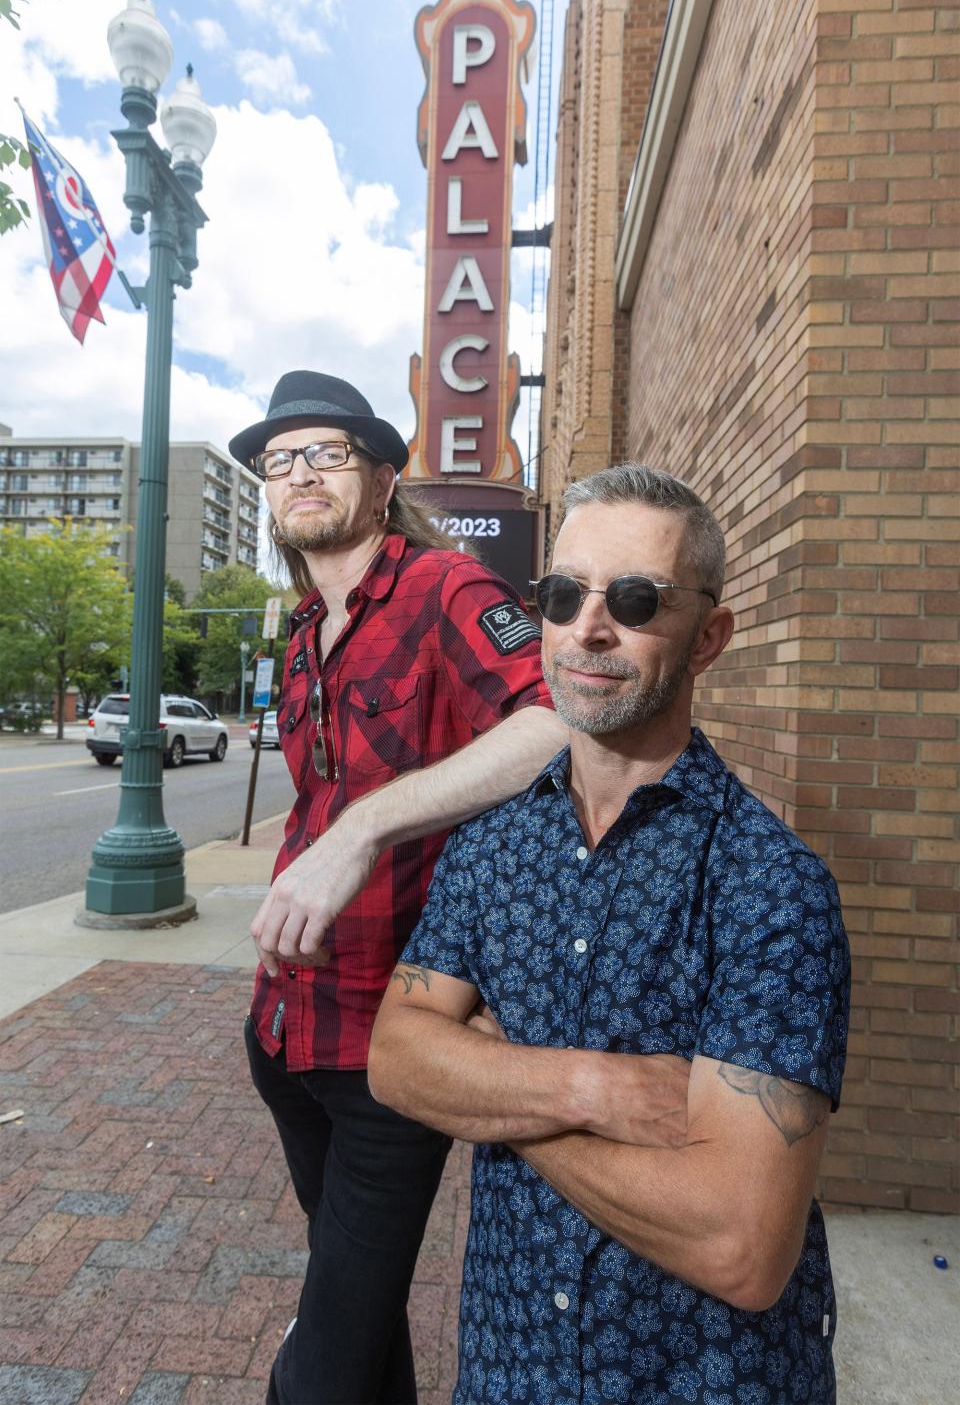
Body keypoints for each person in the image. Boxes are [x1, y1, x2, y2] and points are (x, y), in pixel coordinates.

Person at [370, 463, 851, 1405]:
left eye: (635, 599)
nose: (589, 628)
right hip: (510, 1368)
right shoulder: (494, 840)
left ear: (709, 636)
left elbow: (739, 1243)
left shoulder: (771, 886)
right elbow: (395, 1059)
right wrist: (595, 1086)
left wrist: (498, 1082)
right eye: (562, 594)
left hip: (700, 1379)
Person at [227, 370, 566, 1405]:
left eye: (327, 452)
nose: (301, 473)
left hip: (390, 1043)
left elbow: (555, 722)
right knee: (357, 1320)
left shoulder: (445, 591)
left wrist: (370, 824)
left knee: (320, 1363)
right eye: (281, 462)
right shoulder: (297, 637)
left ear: (381, 482)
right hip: (285, 1031)